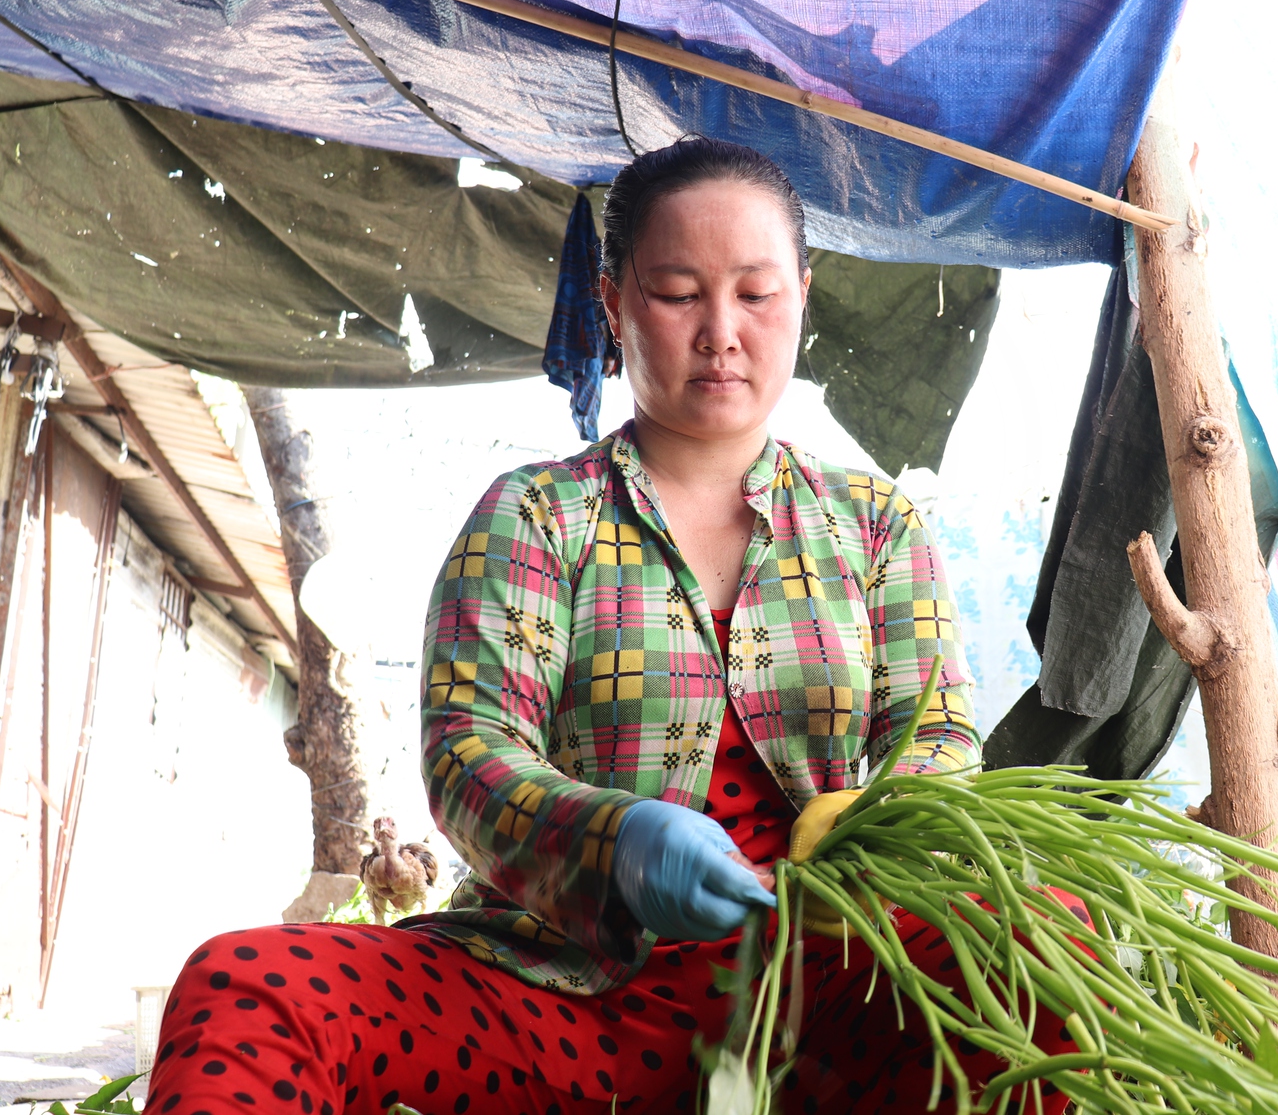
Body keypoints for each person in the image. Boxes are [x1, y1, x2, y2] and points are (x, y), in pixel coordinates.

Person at [145, 137, 1076, 1115]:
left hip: (823, 991)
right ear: (613, 302)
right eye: (677, 291)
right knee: (246, 981)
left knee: (1041, 949)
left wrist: (868, 838)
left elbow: (936, 743)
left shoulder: (877, 527)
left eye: (755, 293)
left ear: (800, 296)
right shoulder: (537, 515)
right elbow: (469, 755)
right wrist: (614, 840)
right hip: (561, 997)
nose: (720, 330)